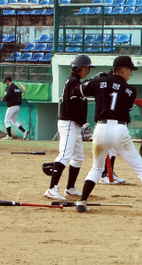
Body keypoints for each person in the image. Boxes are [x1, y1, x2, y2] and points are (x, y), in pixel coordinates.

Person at [76, 56, 142, 216]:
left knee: (96, 168)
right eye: (129, 71)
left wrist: (99, 79)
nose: (130, 74)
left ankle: (82, 201)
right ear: (122, 70)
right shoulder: (130, 90)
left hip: (100, 129)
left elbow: (80, 89)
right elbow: (122, 100)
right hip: (119, 129)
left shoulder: (99, 82)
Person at [43, 55, 94, 200]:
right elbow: (75, 106)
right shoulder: (72, 82)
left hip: (75, 124)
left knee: (78, 157)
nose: (88, 70)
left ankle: (70, 188)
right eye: (86, 67)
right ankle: (52, 188)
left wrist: (82, 123)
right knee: (65, 155)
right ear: (77, 67)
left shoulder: (76, 82)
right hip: (68, 123)